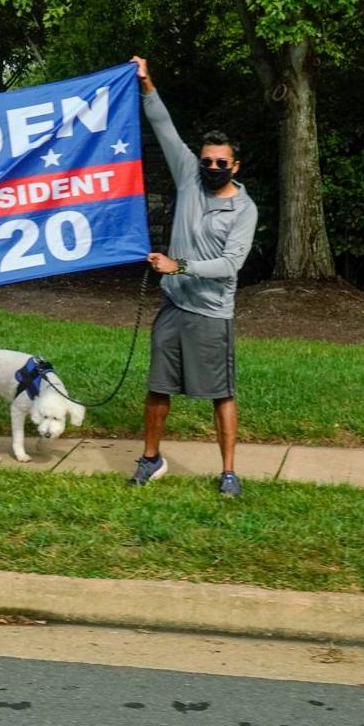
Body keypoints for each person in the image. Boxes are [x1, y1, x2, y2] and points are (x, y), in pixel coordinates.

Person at [127, 55, 259, 498]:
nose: (212, 167)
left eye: (222, 163)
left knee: (221, 394)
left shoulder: (243, 208)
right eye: (208, 160)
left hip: (211, 313)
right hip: (173, 306)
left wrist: (177, 265)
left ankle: (228, 473)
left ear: (235, 166)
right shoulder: (187, 175)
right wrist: (147, 83)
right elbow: (164, 126)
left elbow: (229, 266)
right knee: (157, 387)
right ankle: (150, 459)